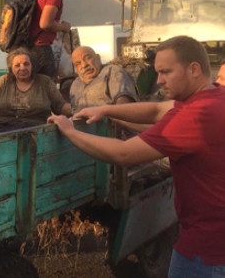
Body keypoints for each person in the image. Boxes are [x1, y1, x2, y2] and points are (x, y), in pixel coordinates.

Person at [48, 35, 225, 277]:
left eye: (166, 72)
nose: (159, 80)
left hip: (206, 250)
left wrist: (69, 131)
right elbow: (155, 109)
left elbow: (123, 153)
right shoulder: (214, 95)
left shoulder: (196, 114)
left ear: (194, 69)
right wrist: (105, 109)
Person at [0, 48, 71, 132]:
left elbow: (60, 107)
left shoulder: (45, 82)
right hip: (4, 131)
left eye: (26, 64)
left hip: (38, 131)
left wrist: (78, 109)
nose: (22, 68)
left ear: (32, 66)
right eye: (17, 65)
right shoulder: (3, 81)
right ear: (11, 68)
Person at [29, 0, 82, 80]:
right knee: (48, 91)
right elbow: (45, 23)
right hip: (40, 49)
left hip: (28, 46)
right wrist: (63, 27)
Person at [70, 46, 137, 113]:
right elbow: (72, 110)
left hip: (108, 121)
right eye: (78, 64)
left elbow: (124, 106)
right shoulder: (75, 84)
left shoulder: (112, 72)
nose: (84, 65)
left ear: (98, 58)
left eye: (87, 58)